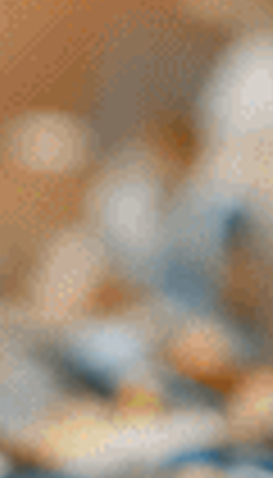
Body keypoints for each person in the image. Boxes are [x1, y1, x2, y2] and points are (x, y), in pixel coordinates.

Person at [94, 110, 259, 347]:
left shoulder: (223, 213)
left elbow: (243, 294)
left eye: (171, 152)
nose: (163, 161)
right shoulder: (138, 210)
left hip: (209, 328)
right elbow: (124, 281)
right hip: (152, 323)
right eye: (157, 152)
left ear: (192, 154)